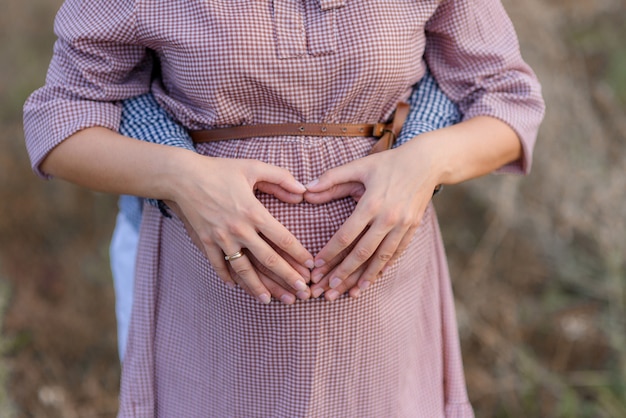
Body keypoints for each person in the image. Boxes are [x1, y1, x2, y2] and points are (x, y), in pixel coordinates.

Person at [24, 0, 545, 416]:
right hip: (214, 314)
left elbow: (506, 98)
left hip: (383, 318)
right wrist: (183, 179)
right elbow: (59, 120)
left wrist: (427, 160)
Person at [110, 72, 461, 361]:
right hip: (198, 294)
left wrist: (420, 157)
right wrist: (184, 178)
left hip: (382, 309)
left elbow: (467, 78)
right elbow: (107, 87)